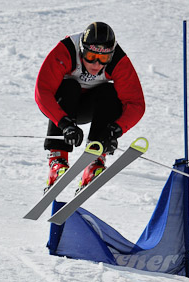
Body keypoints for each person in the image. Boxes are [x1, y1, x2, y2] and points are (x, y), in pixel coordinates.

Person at [35, 22, 146, 192]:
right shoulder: (66, 50)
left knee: (110, 91)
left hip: (92, 108)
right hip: (64, 106)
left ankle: (94, 160)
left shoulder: (118, 61)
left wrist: (115, 130)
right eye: (91, 56)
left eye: (103, 59)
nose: (96, 64)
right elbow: (42, 91)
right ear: (81, 49)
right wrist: (64, 124)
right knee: (70, 86)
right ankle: (57, 160)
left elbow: (135, 104)